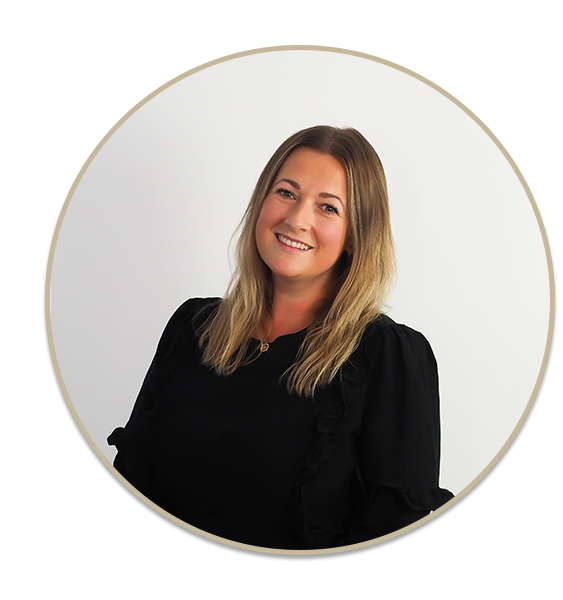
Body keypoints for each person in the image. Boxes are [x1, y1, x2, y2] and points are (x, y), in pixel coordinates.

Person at [107, 125, 453, 550]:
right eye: (287, 193)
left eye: (328, 208)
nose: (296, 219)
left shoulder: (388, 356)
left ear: (356, 233)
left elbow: (394, 527)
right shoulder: (191, 327)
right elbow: (134, 477)